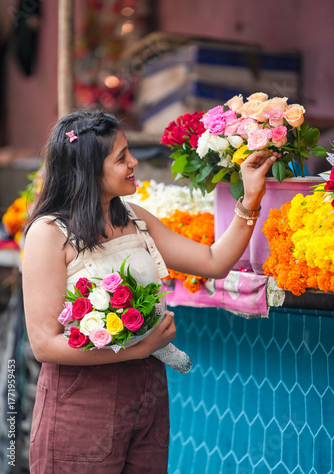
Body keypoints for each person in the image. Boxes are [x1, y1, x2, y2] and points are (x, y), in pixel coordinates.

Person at [22, 109, 278, 474]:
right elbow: (44, 343)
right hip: (82, 399)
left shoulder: (134, 219)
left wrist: (251, 197)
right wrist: (140, 347)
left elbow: (213, 261)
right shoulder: (49, 233)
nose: (134, 162)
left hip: (146, 393)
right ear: (89, 168)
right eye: (121, 157)